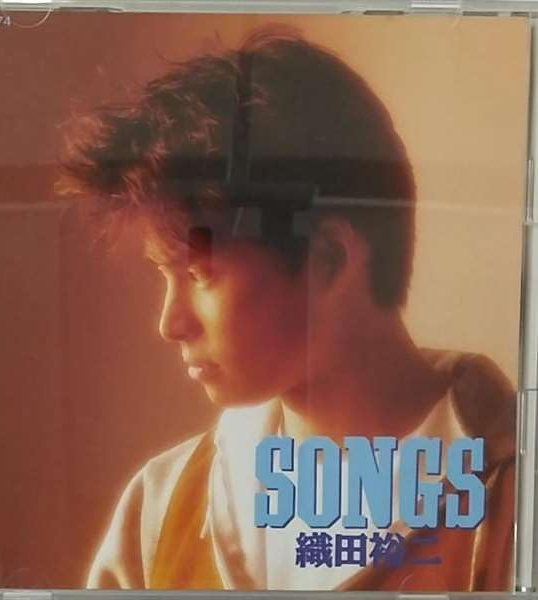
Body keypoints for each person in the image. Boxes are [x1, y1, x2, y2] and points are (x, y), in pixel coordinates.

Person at [58, 27, 516, 592]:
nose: (170, 323)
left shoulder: (510, 506)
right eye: (164, 276)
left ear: (329, 257)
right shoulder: (161, 509)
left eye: (199, 275)